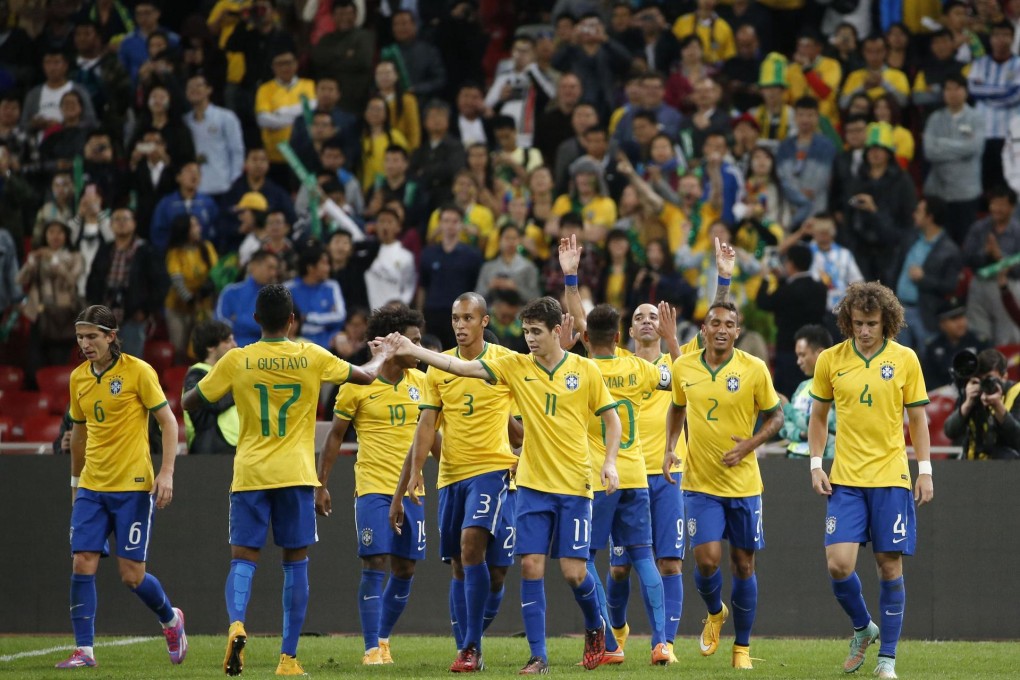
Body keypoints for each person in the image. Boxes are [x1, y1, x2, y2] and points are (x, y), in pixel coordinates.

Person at [384, 296, 622, 673]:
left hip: (575, 486)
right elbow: (458, 366)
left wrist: (609, 462)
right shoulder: (513, 366)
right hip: (530, 484)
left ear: (555, 331)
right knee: (530, 566)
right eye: (525, 331)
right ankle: (537, 657)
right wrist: (414, 349)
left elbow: (613, 421)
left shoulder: (585, 370)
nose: (529, 338)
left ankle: (596, 628)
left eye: (536, 332)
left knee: (575, 573)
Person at [182, 284, 399, 677]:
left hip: (249, 472)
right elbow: (366, 376)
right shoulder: (310, 355)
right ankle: (288, 658)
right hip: (296, 474)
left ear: (254, 320)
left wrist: (221, 382)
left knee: (243, 559)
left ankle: (236, 625)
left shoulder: (238, 359)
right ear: (292, 320)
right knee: (295, 565)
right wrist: (382, 353)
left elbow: (190, 401)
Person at [560, 235, 678, 666]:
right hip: (637, 473)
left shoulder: (584, 369)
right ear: (619, 335)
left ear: (588, 337)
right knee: (645, 556)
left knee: (584, 558)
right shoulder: (641, 368)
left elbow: (578, 320)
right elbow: (677, 382)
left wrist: (571, 278)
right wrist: (672, 340)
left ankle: (609, 640)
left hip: (597, 477)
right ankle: (661, 642)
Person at [808, 281, 934, 680]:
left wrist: (925, 470)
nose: (864, 330)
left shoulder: (905, 359)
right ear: (848, 320)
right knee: (839, 565)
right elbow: (818, 415)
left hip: (891, 476)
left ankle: (887, 661)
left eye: (872, 324)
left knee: (888, 566)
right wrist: (815, 462)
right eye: (858, 323)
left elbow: (917, 418)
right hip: (845, 478)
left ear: (888, 323)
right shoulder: (830, 359)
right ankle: (864, 628)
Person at [388, 292, 520, 672]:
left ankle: (471, 646)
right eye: (455, 318)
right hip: (451, 476)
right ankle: (467, 646)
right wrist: (415, 470)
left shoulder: (504, 362)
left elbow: (522, 424)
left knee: (472, 551)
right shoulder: (437, 370)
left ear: (484, 322)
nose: (460, 325)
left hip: (492, 471)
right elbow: (427, 424)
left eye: (467, 318)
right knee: (461, 566)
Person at [58, 304, 186, 669]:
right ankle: (85, 650)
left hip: (132, 487)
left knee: (132, 575)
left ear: (111, 336)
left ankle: (170, 619)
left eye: (92, 336)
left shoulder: (138, 371)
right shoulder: (78, 378)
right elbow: (78, 433)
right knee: (83, 561)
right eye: (80, 337)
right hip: (92, 486)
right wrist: (75, 483)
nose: (85, 343)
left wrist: (167, 472)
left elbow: (168, 422)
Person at [663, 301, 784, 670]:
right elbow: (677, 406)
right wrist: (670, 447)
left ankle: (742, 649)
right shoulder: (684, 365)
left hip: (744, 485)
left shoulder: (753, 368)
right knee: (706, 560)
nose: (721, 328)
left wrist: (749, 445)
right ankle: (715, 612)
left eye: (729, 324)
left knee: (744, 564)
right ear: (703, 329)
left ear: (736, 331)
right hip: (700, 483)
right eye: (714, 322)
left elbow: (776, 416)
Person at [315, 304, 428, 666]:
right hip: (372, 486)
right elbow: (334, 437)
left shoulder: (423, 384)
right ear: (394, 343)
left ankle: (383, 638)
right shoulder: (359, 383)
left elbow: (435, 436)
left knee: (406, 568)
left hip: (412, 489)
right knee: (374, 561)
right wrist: (322, 484)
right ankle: (370, 648)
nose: (418, 349)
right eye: (413, 342)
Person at [757, 243, 830, 398]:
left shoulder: (788, 291)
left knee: (787, 396)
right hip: (814, 349)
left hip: (788, 351)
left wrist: (765, 277)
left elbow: (763, 302)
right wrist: (783, 279)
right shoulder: (820, 288)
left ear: (790, 264)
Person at [893, 197, 964, 353]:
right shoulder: (911, 239)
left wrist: (923, 279)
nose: (914, 215)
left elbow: (950, 286)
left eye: (919, 211)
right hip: (900, 309)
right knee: (898, 360)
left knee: (927, 360)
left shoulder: (950, 250)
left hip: (925, 313)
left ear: (929, 217)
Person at [943, 348, 1020, 459]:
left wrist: (997, 405)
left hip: (1008, 465)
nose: (984, 384)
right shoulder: (973, 390)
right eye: (980, 379)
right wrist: (968, 403)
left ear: (1004, 377)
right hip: (973, 462)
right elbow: (950, 431)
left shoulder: (1016, 392)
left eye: (990, 379)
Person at [183, 319, 237, 455]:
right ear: (210, 346)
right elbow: (212, 401)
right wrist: (241, 388)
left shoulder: (230, 374)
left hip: (233, 449)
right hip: (209, 452)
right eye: (228, 341)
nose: (235, 345)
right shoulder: (196, 373)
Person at [781, 324, 836, 459]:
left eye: (802, 355)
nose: (798, 361)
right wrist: (800, 435)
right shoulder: (802, 387)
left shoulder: (837, 386)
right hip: (793, 461)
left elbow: (821, 421)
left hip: (824, 463)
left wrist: (787, 407)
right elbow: (783, 427)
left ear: (820, 353)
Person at [284, 244, 347, 351]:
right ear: (311, 268)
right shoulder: (288, 288)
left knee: (342, 340)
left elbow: (340, 316)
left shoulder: (331, 286)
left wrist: (308, 317)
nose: (328, 268)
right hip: (297, 338)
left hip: (327, 337)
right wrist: (326, 316)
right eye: (324, 263)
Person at [215, 250, 281, 347]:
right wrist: (257, 324)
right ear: (254, 266)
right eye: (270, 268)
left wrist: (237, 319)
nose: (273, 273)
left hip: (264, 351)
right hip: (233, 348)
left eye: (275, 269)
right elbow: (220, 324)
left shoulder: (276, 297)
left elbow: (275, 329)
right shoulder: (230, 292)